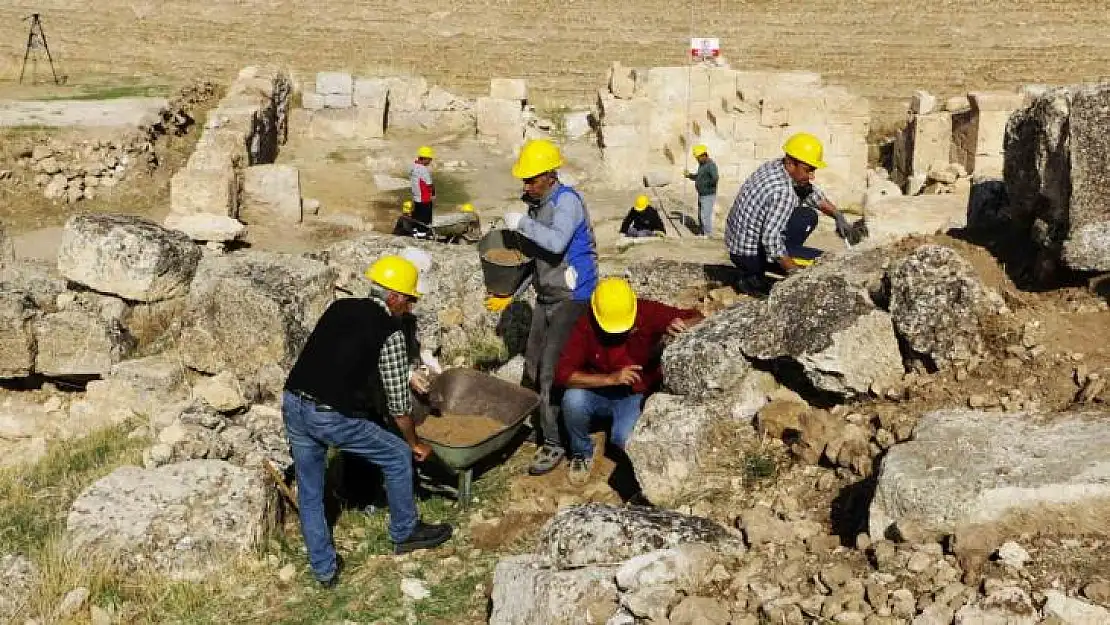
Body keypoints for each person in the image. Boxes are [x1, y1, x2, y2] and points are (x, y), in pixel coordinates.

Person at [282, 255, 452, 587]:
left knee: (311, 488)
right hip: (329, 415)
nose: (411, 306)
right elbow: (399, 405)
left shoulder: (339, 308)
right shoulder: (390, 331)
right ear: (395, 297)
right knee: (396, 454)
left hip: (293, 401)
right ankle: (405, 531)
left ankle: (324, 570)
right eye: (410, 299)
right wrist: (414, 443)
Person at [485, 138, 599, 476]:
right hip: (547, 294)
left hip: (573, 296)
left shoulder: (567, 203)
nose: (527, 185)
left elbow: (555, 242)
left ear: (550, 175)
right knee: (534, 365)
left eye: (532, 179)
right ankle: (548, 423)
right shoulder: (536, 203)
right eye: (524, 179)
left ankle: (558, 444)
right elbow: (535, 258)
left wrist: (521, 223)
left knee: (552, 370)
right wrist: (513, 294)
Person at [553, 277, 702, 487]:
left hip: (633, 394)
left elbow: (698, 316)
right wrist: (610, 379)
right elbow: (563, 375)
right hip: (598, 391)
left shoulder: (647, 312)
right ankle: (581, 453)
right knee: (573, 400)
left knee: (622, 438)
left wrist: (682, 325)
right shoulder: (586, 323)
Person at [723, 132, 854, 297]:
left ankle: (764, 266)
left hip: (737, 244)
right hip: (749, 256)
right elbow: (771, 239)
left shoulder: (776, 166)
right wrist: (794, 272)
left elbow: (809, 192)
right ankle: (753, 278)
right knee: (822, 262)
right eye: (808, 170)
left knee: (807, 216)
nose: (812, 175)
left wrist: (837, 215)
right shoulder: (783, 192)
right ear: (791, 164)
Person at [684, 144, 719, 237]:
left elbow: (715, 178)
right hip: (701, 194)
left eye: (698, 157)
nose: (697, 159)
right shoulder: (702, 165)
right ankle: (702, 232)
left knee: (705, 215)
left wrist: (706, 186)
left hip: (708, 195)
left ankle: (707, 234)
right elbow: (698, 177)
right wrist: (689, 175)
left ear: (704, 155)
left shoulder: (711, 165)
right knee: (700, 215)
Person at [409, 146, 436, 238]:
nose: (430, 161)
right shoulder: (423, 170)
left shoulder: (413, 166)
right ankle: (423, 236)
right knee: (425, 219)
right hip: (425, 198)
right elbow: (429, 184)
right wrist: (433, 194)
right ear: (424, 158)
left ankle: (415, 232)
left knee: (417, 216)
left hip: (416, 197)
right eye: (429, 159)